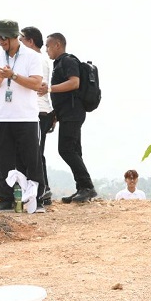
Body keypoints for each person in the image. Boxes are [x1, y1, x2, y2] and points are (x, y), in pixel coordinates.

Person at [0, 20, 44, 212]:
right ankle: (5, 200)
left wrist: (13, 76)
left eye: (4, 38)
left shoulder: (32, 57)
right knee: (3, 159)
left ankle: (36, 200)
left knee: (31, 160)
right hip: (2, 117)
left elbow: (36, 84)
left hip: (26, 118)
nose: (1, 41)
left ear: (14, 37)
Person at [44, 32, 98, 203]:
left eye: (48, 46)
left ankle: (87, 187)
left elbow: (74, 83)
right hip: (67, 113)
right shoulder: (59, 63)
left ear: (57, 45)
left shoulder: (68, 61)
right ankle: (82, 188)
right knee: (75, 150)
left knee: (66, 149)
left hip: (73, 114)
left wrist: (50, 89)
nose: (46, 50)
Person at [20, 26, 54, 206]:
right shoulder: (41, 60)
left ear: (30, 41)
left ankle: (41, 190)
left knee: (35, 153)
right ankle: (42, 189)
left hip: (38, 111)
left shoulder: (36, 60)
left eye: (21, 40)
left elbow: (38, 86)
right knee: (36, 153)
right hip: (40, 111)